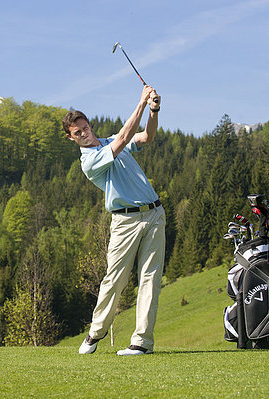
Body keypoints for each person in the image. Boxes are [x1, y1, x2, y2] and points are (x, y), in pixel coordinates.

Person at [62, 85, 166, 356]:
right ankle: (95, 333)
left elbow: (147, 136)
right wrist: (141, 103)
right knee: (114, 281)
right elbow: (123, 138)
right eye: (77, 133)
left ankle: (142, 343)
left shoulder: (108, 141)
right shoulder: (90, 161)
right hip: (125, 222)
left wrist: (154, 110)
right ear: (71, 139)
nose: (84, 134)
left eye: (85, 128)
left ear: (89, 126)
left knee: (150, 280)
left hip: (154, 214)